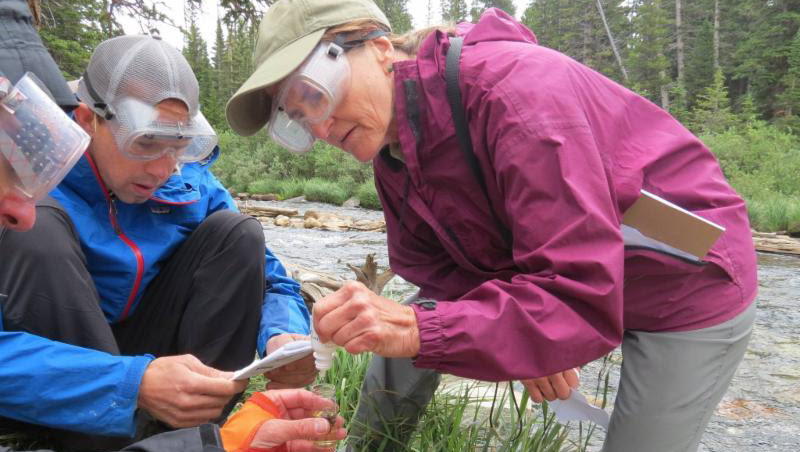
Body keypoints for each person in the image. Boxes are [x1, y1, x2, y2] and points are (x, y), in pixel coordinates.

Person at [225, 1, 759, 451]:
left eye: (316, 93)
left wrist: (506, 331)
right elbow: (434, 270)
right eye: (295, 120)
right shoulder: (393, 150)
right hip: (562, 289)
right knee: (398, 328)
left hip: (686, 283)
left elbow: (578, 300)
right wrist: (518, 338)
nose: (318, 127)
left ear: (381, 49)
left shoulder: (519, 98)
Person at [0, 4, 342, 450]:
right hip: (62, 370)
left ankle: (190, 436)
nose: (163, 167)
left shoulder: (188, 181)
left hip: (152, 361)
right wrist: (130, 382)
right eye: (145, 143)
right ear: (88, 120)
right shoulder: (20, 177)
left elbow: (273, 278)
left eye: (179, 145)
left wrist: (281, 334)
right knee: (38, 232)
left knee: (238, 235)